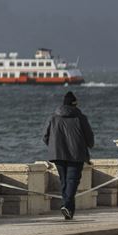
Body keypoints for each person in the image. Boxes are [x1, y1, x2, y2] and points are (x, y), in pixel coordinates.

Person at [42, 91, 95, 220]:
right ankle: (66, 205)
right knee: (72, 181)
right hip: (76, 154)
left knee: (64, 181)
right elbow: (89, 138)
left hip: (57, 154)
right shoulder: (80, 117)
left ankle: (69, 211)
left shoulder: (53, 117)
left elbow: (45, 136)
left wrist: (54, 145)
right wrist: (89, 145)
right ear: (75, 105)